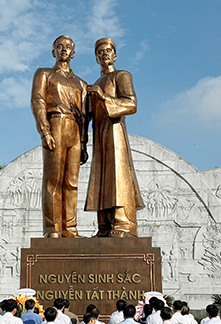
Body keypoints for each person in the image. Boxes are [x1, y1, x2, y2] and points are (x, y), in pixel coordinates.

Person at [85, 37, 144, 238]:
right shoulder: (95, 84)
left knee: (117, 174)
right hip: (100, 134)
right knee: (101, 177)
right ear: (96, 58)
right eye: (100, 52)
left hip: (115, 132)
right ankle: (104, 224)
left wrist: (104, 97)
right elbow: (88, 114)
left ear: (115, 55)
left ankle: (123, 223)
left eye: (108, 50)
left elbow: (131, 104)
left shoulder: (122, 75)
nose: (104, 54)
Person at [31, 35, 88, 238]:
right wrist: (44, 131)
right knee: (53, 180)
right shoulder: (44, 74)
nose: (64, 49)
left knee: (71, 182)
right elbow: (38, 101)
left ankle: (70, 228)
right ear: (53, 51)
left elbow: (85, 116)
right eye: (59, 46)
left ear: (73, 53)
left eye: (68, 47)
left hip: (75, 128)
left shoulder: (81, 83)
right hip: (55, 123)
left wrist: (83, 145)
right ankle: (52, 229)